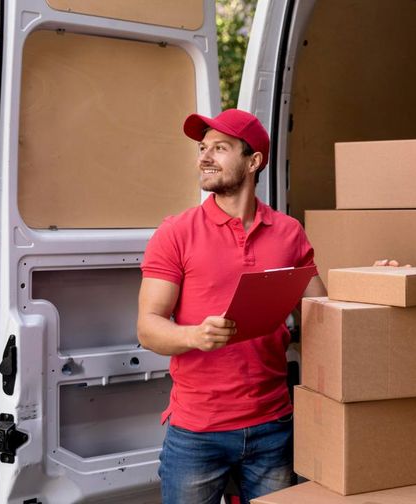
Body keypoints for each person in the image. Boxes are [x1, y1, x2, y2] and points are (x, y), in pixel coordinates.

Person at [136, 108, 326, 504]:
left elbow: (321, 313)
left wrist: (376, 282)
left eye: (220, 148)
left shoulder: (288, 233)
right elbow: (148, 327)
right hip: (196, 433)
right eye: (203, 148)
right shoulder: (176, 233)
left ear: (253, 160)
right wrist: (195, 335)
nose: (204, 157)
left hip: (273, 425)